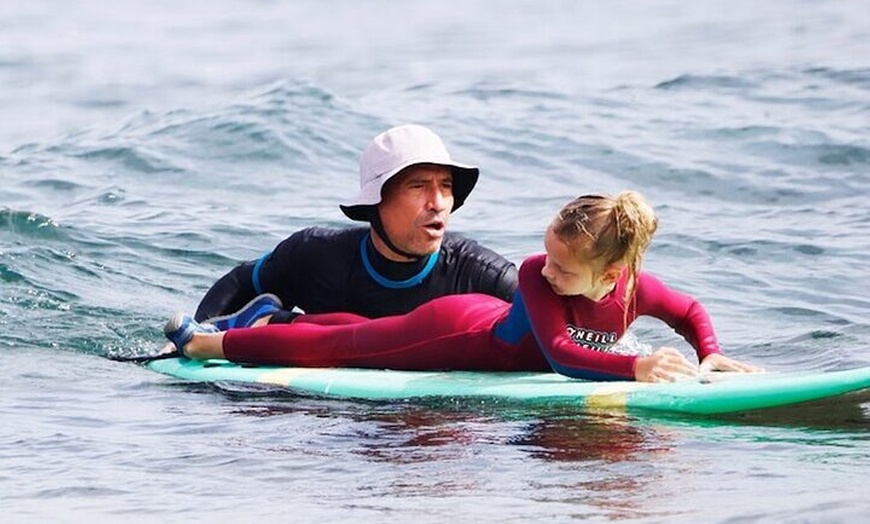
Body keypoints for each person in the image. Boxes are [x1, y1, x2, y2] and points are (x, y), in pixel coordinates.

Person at [166, 191, 760, 382]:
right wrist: (634, 369)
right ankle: (207, 344)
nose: (544, 270)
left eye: (562, 267)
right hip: (456, 332)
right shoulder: (535, 275)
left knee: (360, 332)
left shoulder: (635, 289)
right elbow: (560, 354)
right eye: (547, 255)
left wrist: (711, 351)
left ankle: (277, 319)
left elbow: (687, 309)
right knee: (341, 352)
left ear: (611, 275)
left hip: (479, 324)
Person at [191, 124, 517, 331]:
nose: (438, 202)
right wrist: (193, 337)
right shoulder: (315, 255)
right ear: (375, 201)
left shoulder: (480, 274)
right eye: (418, 187)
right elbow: (241, 281)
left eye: (445, 186)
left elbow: (556, 320)